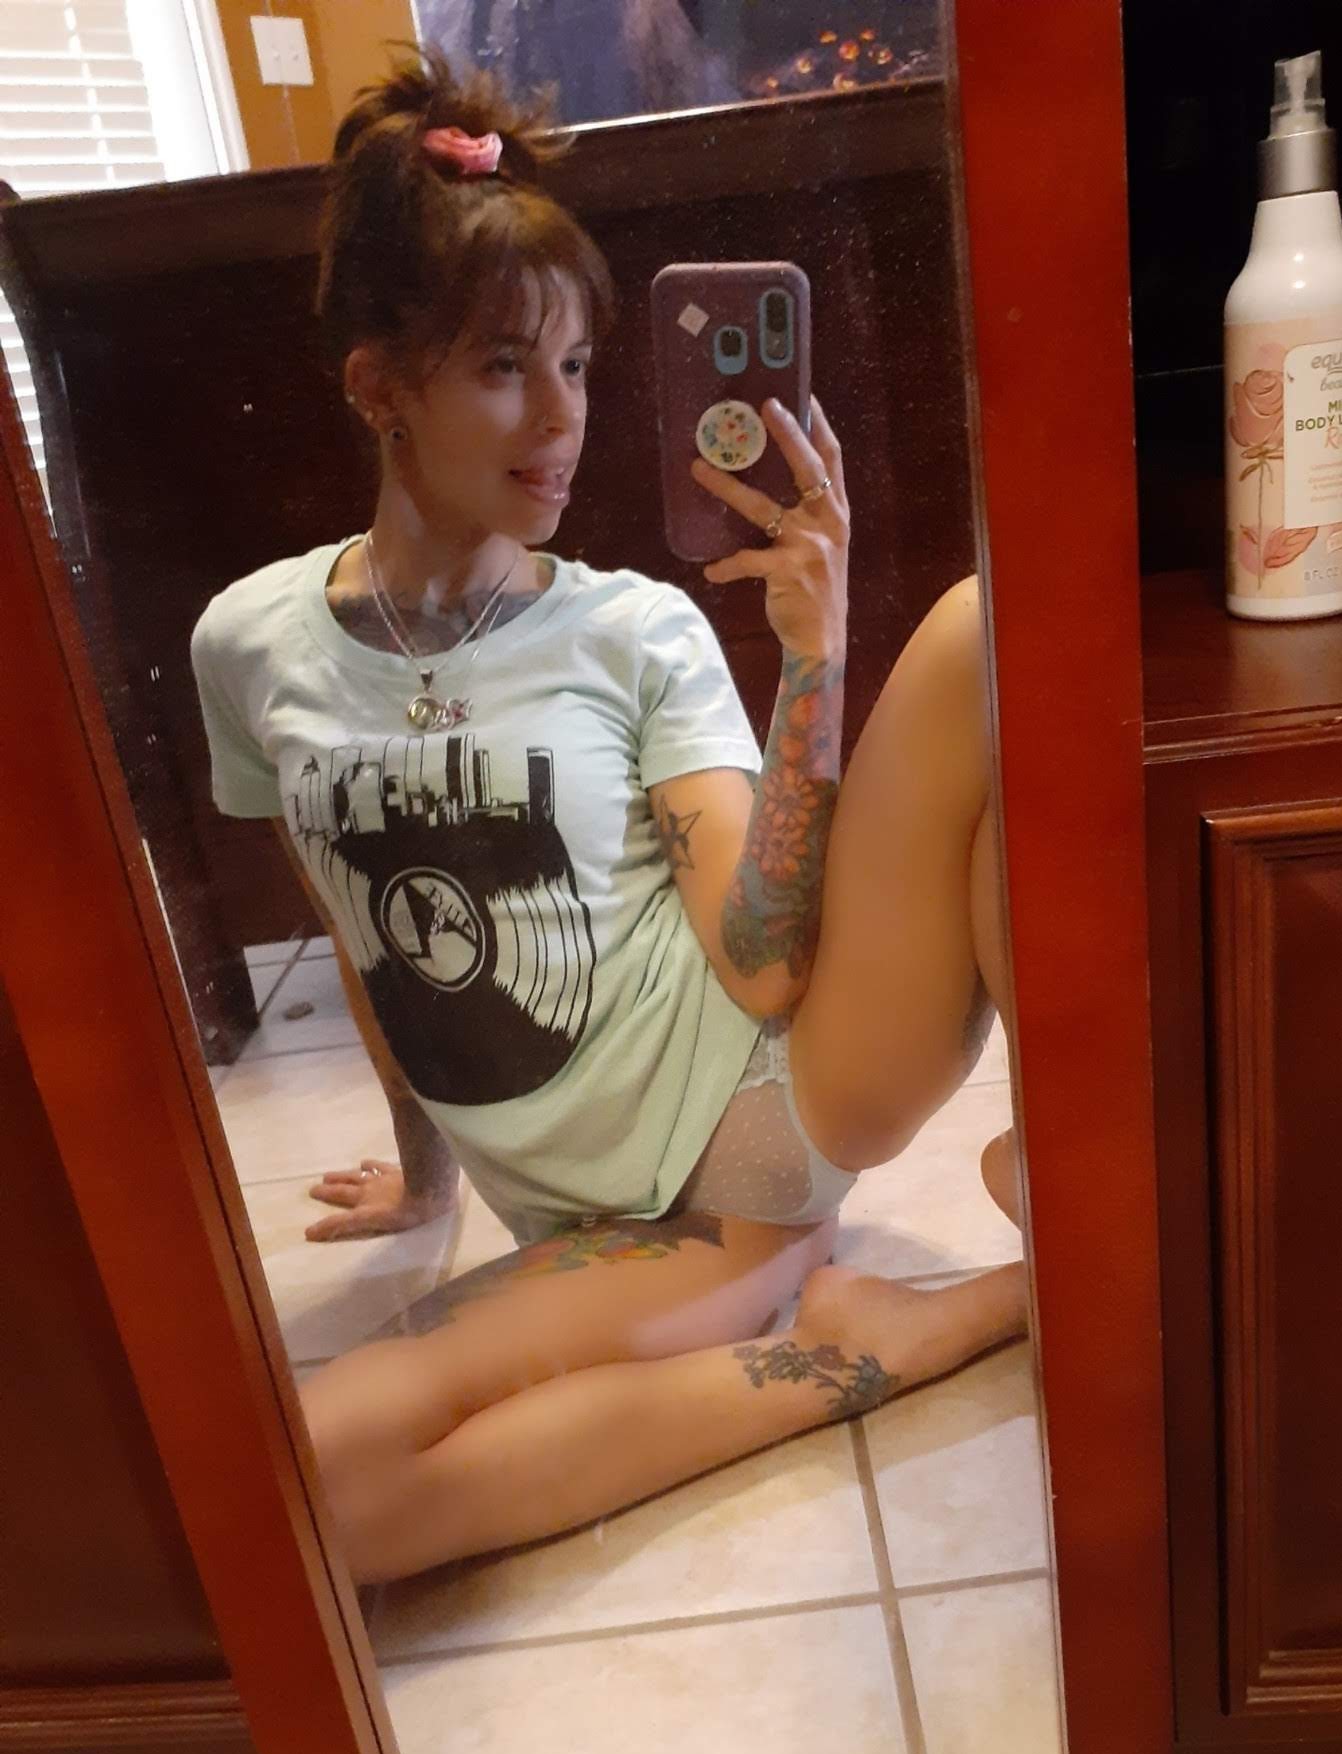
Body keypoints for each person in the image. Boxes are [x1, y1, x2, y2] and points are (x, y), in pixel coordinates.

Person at [190, 47, 1026, 1587]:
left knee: (990, 627)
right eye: (505, 365)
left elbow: (763, 965)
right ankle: (851, 1326)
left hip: (764, 1124)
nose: (560, 417)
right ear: (380, 387)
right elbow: (363, 933)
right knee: (322, 1491)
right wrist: (426, 1177)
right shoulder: (249, 647)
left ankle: (995, 1265)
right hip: (602, 1234)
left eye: (576, 367)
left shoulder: (633, 630)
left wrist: (814, 661)